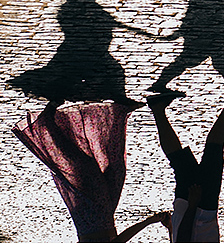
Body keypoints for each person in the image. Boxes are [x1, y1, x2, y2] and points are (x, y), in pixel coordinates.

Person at [13, 101, 171, 242]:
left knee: (81, 165)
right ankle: (118, 115)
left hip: (92, 218)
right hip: (102, 217)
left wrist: (150, 221)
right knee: (115, 170)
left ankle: (46, 125)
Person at [146, 89, 224, 242]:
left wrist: (193, 204)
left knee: (212, 156)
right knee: (181, 161)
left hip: (199, 211)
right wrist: (172, 229)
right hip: (192, 212)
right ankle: (158, 109)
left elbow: (184, 240)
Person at [10, 0, 137, 104]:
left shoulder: (89, 8)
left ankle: (117, 98)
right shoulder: (73, 9)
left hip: (94, 52)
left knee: (69, 83)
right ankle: (118, 98)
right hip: (82, 53)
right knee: (110, 73)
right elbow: (78, 28)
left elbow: (109, 22)